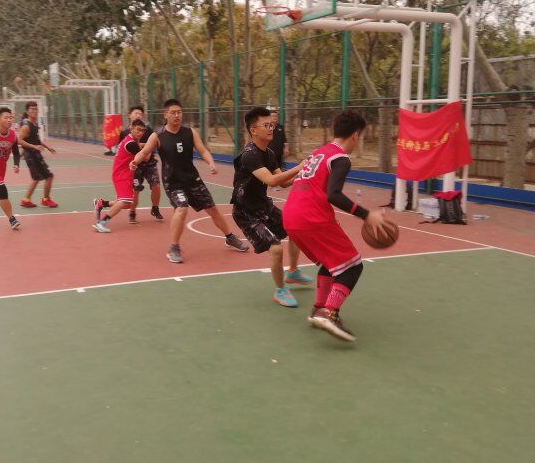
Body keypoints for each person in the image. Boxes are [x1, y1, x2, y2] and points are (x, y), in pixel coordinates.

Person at [282, 109, 388, 342]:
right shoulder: (340, 158)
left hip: (291, 216)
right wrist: (367, 215)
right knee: (353, 266)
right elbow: (334, 195)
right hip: (311, 217)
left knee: (331, 263)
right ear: (356, 136)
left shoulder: (318, 153)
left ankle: (318, 310)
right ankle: (330, 313)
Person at [130, 98, 249, 263]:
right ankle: (174, 248)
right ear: (165, 114)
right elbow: (144, 153)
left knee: (212, 209)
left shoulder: (189, 132)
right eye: (173, 112)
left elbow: (203, 150)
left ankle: (229, 237)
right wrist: (135, 161)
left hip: (193, 180)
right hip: (173, 182)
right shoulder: (158, 136)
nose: (177, 115)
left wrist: (211, 162)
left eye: (179, 112)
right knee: (182, 208)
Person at [231, 107, 313, 307]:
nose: (271, 128)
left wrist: (305, 174)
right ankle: (280, 290)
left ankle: (292, 272)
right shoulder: (249, 155)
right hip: (246, 213)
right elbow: (272, 180)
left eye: (272, 125)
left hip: (263, 206)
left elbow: (283, 182)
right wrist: (299, 167)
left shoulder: (269, 154)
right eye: (266, 125)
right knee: (276, 249)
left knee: (295, 229)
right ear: (253, 130)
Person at [92, 118, 147, 232]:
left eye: (142, 130)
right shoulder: (131, 143)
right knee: (124, 202)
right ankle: (101, 222)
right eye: (138, 129)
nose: (140, 132)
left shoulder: (130, 140)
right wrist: (153, 145)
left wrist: (145, 145)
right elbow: (145, 157)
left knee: (127, 204)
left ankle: (101, 203)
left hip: (123, 174)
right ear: (131, 129)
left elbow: (139, 147)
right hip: (122, 175)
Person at [117, 105, 163, 223]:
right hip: (135, 165)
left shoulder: (148, 130)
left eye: (140, 114)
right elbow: (122, 150)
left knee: (156, 186)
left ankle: (155, 208)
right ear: (130, 115)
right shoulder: (124, 133)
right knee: (135, 190)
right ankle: (132, 213)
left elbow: (151, 146)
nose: (138, 115)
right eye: (136, 113)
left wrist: (145, 150)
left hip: (149, 163)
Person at [18, 101, 58, 208]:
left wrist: (47, 147)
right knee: (47, 176)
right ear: (27, 111)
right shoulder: (26, 126)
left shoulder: (34, 124)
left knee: (39, 178)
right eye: (32, 109)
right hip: (31, 156)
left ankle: (27, 200)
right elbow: (19, 140)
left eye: (36, 109)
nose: (34, 111)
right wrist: (34, 147)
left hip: (35, 155)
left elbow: (37, 140)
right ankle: (45, 200)